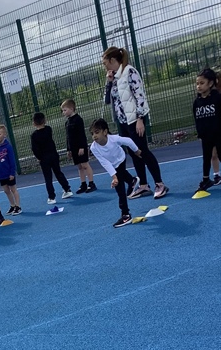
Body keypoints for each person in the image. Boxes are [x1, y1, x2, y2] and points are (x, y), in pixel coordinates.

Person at [103, 46, 169, 199]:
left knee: (143, 151)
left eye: (105, 62)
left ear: (113, 60)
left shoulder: (130, 72)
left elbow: (140, 96)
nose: (104, 66)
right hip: (123, 121)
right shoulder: (115, 78)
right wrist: (108, 82)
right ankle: (144, 185)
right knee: (134, 153)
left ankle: (160, 184)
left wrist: (140, 119)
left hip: (135, 120)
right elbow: (108, 100)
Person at [89, 119, 141, 228]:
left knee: (120, 189)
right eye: (92, 133)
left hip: (121, 159)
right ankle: (133, 181)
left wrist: (136, 150)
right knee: (120, 177)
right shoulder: (94, 147)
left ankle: (125, 215)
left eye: (97, 132)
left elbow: (128, 141)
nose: (94, 136)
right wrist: (114, 177)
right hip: (112, 165)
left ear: (105, 132)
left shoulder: (114, 139)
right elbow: (104, 162)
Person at [30, 112, 74, 204]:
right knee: (58, 173)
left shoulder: (34, 135)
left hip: (44, 158)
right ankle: (67, 189)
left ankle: (51, 197)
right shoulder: (48, 129)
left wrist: (39, 157)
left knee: (48, 178)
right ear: (45, 120)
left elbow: (34, 149)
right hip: (53, 155)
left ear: (33, 123)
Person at [192, 68, 221, 192]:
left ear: (210, 84)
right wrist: (200, 133)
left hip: (218, 133)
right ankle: (205, 179)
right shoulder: (197, 102)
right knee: (206, 157)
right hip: (205, 136)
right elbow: (197, 119)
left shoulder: (217, 98)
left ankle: (216, 175)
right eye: (197, 83)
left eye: (202, 83)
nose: (199, 86)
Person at [61, 99, 97, 193]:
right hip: (73, 148)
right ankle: (83, 184)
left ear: (72, 108)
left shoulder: (78, 119)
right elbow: (68, 137)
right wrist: (69, 149)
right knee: (79, 166)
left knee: (85, 164)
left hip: (80, 147)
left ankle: (91, 183)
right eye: (63, 110)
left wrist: (82, 147)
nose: (63, 112)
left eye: (65, 110)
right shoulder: (67, 122)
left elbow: (81, 134)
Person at [0, 125, 22, 215]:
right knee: (6, 190)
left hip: (9, 173)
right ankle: (12, 205)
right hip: (2, 174)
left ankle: (18, 206)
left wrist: (12, 173)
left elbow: (12, 161)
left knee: (13, 189)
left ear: (4, 135)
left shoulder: (8, 147)